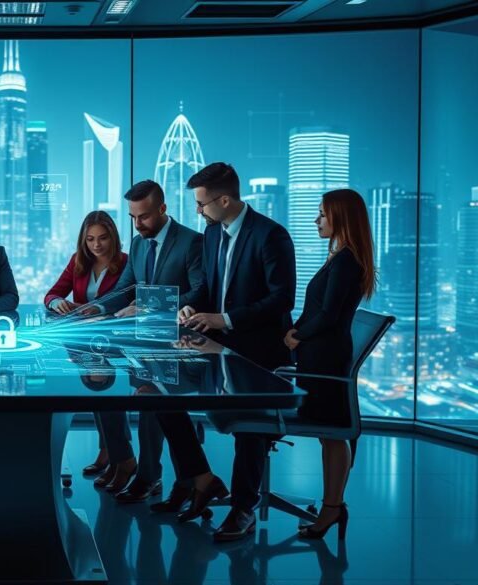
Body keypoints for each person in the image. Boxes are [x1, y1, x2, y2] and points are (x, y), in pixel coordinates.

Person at [150, 162, 297, 543]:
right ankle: (198, 477)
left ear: (225, 199)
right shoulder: (213, 233)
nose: (197, 211)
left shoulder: (271, 236)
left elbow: (281, 300)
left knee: (249, 425)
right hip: (218, 344)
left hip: (260, 351)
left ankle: (243, 507)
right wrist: (188, 306)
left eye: (202, 203)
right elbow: (208, 288)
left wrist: (225, 319)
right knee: (158, 391)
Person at [88, 180, 205, 504]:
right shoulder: (139, 246)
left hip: (178, 346)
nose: (138, 224)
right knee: (145, 404)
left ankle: (170, 480)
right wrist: (96, 309)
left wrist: (153, 305)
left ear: (163, 209)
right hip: (143, 345)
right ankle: (150, 476)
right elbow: (125, 289)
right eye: (133, 217)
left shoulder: (191, 242)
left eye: (144, 217)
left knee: (156, 405)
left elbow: (200, 292)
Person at [285, 189, 376, 540]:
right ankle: (332, 506)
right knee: (328, 438)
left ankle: (333, 508)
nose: (316, 220)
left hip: (324, 364)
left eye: (322, 214)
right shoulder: (341, 257)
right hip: (321, 358)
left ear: (341, 217)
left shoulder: (346, 261)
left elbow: (328, 314)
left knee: (331, 437)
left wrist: (296, 336)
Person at [44, 210, 128, 479]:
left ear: (113, 237)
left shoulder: (127, 263)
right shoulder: (78, 261)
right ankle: (108, 453)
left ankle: (120, 456)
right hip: (83, 342)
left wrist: (97, 310)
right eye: (90, 239)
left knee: (109, 395)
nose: (96, 245)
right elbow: (52, 294)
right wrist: (60, 303)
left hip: (116, 340)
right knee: (96, 393)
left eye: (102, 238)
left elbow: (129, 299)